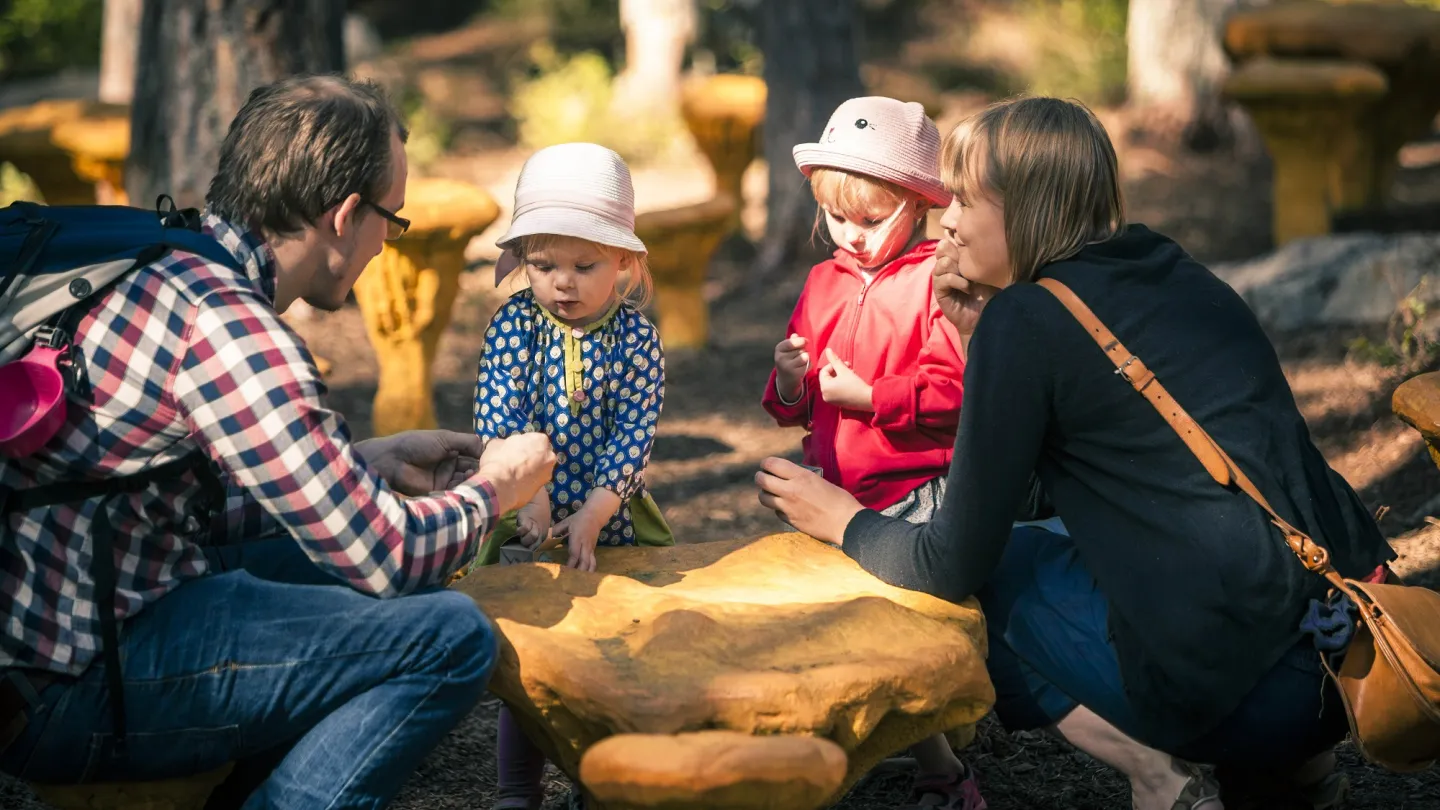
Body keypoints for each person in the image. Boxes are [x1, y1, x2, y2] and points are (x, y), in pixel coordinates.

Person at [756, 96, 1393, 810]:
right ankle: (1292, 780)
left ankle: (1172, 777)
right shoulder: (1163, 264)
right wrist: (973, 343)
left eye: (966, 198)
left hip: (1238, 690)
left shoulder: (1029, 321)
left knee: (990, 577)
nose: (952, 221)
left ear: (1027, 209)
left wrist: (843, 519)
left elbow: (948, 561)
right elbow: (1067, 483)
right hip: (1352, 656)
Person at [0, 75, 556, 809]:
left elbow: (157, 500)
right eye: (393, 218)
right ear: (346, 215)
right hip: (72, 689)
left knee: (320, 560)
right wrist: (497, 491)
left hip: (41, 642)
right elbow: (387, 557)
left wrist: (367, 467)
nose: (388, 240)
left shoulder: (162, 261)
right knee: (449, 637)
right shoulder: (230, 326)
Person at [762, 96, 984, 810]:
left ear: (918, 206)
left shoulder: (934, 283)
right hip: (836, 489)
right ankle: (869, 754)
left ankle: (948, 772)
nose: (849, 236)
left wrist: (872, 397)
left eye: (869, 219)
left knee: (897, 644)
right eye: (836, 218)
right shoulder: (823, 281)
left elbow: (955, 396)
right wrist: (791, 381)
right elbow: (794, 407)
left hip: (913, 495)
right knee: (839, 632)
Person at [469, 142, 673, 810]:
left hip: (607, 518)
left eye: (585, 265)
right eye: (543, 264)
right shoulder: (513, 327)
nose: (563, 282)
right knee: (535, 659)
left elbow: (633, 432)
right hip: (528, 509)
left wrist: (593, 511)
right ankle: (516, 789)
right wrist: (533, 497)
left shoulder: (635, 339)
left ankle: (594, 784)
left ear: (624, 261)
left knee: (607, 658)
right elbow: (503, 412)